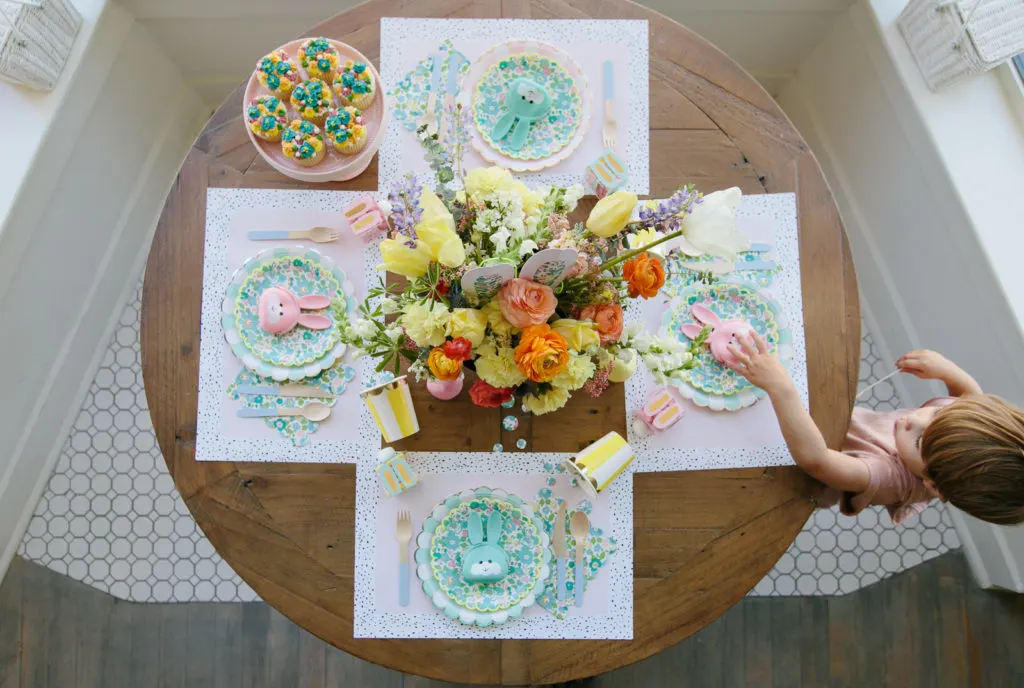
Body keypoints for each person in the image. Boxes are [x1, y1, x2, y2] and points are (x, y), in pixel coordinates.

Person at [727, 333, 1024, 526]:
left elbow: (816, 460)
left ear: (933, 485)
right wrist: (947, 370)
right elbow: (971, 395)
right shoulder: (958, 421)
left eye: (919, 441)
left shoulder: (890, 478)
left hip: (802, 470)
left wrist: (782, 389)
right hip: (819, 425)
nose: (913, 418)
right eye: (934, 413)